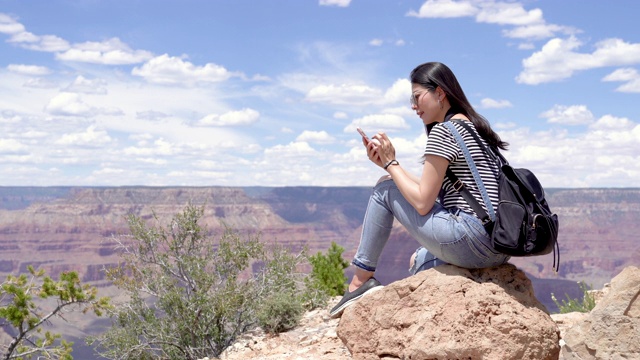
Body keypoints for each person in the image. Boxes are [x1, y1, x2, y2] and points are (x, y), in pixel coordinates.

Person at [330, 61, 511, 318]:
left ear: (440, 92)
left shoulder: (444, 132)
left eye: (417, 97)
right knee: (419, 260)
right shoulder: (476, 129)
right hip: (499, 247)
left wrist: (391, 165)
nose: (414, 107)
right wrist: (390, 165)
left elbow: (423, 203)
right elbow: (431, 189)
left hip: (472, 239)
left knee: (384, 190)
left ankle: (359, 282)